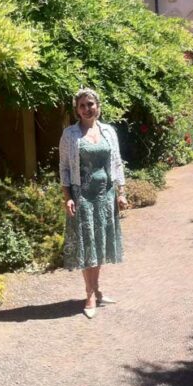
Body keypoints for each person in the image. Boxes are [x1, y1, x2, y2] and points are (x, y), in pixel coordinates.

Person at [59, 88, 127, 319]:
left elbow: (117, 162)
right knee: (88, 245)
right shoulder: (70, 135)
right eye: (82, 106)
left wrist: (121, 192)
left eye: (91, 104)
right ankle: (89, 294)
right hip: (83, 196)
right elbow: (65, 169)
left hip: (106, 195)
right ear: (77, 110)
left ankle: (97, 289)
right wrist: (67, 196)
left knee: (100, 243)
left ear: (98, 106)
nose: (87, 109)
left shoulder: (109, 131)